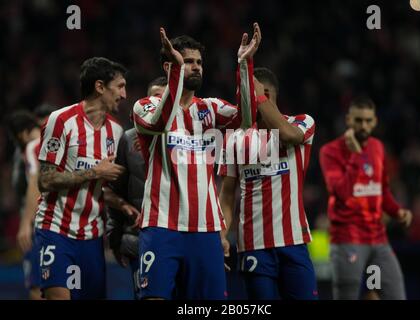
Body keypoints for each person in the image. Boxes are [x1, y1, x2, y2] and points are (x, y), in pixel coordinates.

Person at [132, 23, 260, 300]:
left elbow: (248, 119)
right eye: (187, 62)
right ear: (169, 67)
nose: (196, 67)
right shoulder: (145, 106)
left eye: (199, 62)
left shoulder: (210, 108)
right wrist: (176, 71)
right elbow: (161, 122)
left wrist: (244, 65)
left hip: (206, 228)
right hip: (162, 224)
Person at [218, 66, 318, 300]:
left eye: (262, 97)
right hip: (254, 246)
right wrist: (221, 235)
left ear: (272, 96)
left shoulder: (302, 123)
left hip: (294, 243)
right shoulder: (234, 139)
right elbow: (227, 195)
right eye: (251, 98)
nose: (255, 104)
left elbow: (288, 135)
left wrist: (257, 95)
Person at [35, 57, 128, 300]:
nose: (124, 94)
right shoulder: (61, 120)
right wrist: (95, 172)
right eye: (119, 86)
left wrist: (122, 205)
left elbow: (103, 189)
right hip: (56, 228)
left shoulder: (116, 132)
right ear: (99, 86)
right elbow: (44, 180)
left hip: (92, 237)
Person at [319, 96, 413, 300]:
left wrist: (397, 211)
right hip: (348, 241)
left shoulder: (378, 147)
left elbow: (381, 189)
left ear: (375, 121)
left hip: (378, 242)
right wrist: (355, 155)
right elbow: (341, 192)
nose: (363, 126)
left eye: (368, 120)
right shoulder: (330, 152)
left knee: (390, 295)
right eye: (358, 120)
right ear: (348, 120)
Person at [105, 76, 167, 299]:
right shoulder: (128, 140)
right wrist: (115, 236)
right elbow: (116, 189)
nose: (157, 106)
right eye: (153, 99)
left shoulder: (188, 139)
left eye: (163, 99)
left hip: (179, 236)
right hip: (139, 239)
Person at [6, 110, 43, 300]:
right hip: (66, 226)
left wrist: (25, 223)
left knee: (36, 287)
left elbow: (33, 188)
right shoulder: (57, 142)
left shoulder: (32, 148)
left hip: (39, 225)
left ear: (21, 134)